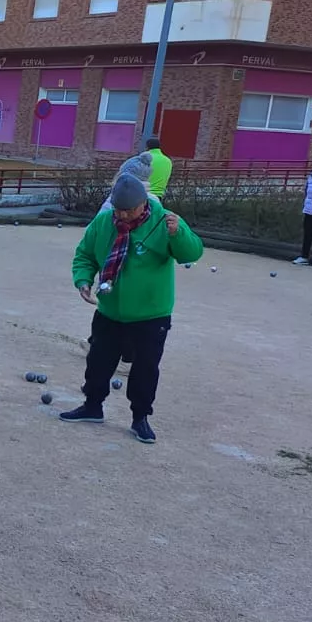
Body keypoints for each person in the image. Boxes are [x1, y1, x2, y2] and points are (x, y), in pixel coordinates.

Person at [62, 174, 204, 444]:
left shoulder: (166, 222)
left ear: (143, 204)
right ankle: (92, 405)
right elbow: (85, 254)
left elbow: (191, 254)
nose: (123, 215)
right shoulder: (104, 222)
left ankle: (140, 418)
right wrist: (83, 280)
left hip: (151, 314)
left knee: (145, 368)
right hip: (110, 309)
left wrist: (179, 234)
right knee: (98, 362)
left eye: (129, 210)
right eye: (119, 209)